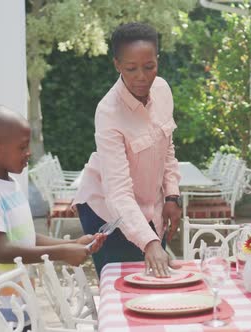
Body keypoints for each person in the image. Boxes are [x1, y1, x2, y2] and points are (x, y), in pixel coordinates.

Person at [0, 105, 106, 332]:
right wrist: (62, 253)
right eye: (22, 147)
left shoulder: (8, 183)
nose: (28, 152)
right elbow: (0, 250)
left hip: (18, 302)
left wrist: (71, 244)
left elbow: (26, 237)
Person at [73, 22, 182, 278]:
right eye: (131, 69)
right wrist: (150, 242)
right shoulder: (108, 112)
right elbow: (117, 191)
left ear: (158, 60)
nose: (142, 77)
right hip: (108, 212)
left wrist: (172, 196)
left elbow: (167, 148)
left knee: (156, 284)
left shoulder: (163, 90)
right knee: (125, 289)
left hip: (149, 206)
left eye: (149, 66)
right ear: (117, 65)